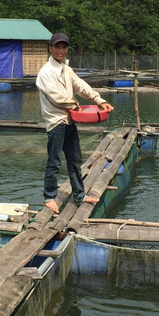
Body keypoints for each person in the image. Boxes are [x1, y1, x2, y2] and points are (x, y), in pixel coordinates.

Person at [36, 32, 114, 214]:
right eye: (57, 47)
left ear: (67, 49)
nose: (60, 50)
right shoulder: (45, 72)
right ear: (50, 49)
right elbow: (57, 98)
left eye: (64, 47)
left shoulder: (66, 69)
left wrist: (99, 100)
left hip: (70, 119)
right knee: (54, 161)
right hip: (56, 121)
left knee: (75, 160)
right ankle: (49, 197)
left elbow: (79, 85)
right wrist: (76, 105)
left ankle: (79, 195)